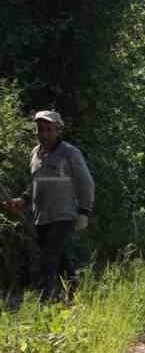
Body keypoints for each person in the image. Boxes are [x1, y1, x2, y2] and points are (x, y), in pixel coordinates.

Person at [4, 110, 95, 296]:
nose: (44, 134)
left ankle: (45, 301)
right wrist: (23, 200)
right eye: (40, 129)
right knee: (60, 258)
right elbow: (35, 183)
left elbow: (86, 183)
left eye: (48, 129)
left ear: (57, 130)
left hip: (63, 215)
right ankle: (73, 291)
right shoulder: (35, 154)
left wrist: (84, 211)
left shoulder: (70, 153)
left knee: (47, 259)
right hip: (41, 216)